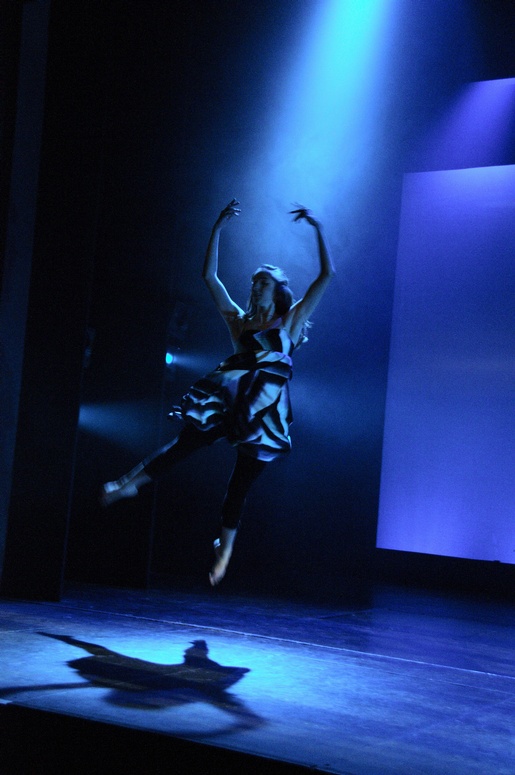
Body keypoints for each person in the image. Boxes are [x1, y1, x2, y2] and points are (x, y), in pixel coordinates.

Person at [101, 200, 335, 585]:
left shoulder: (290, 321)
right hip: (229, 402)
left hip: (264, 412)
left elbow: (326, 275)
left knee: (238, 485)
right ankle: (128, 485)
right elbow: (209, 277)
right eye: (254, 281)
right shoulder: (239, 323)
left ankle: (224, 551)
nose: (256, 285)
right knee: (183, 445)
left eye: (263, 281)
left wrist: (318, 228)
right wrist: (218, 228)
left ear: (277, 289)